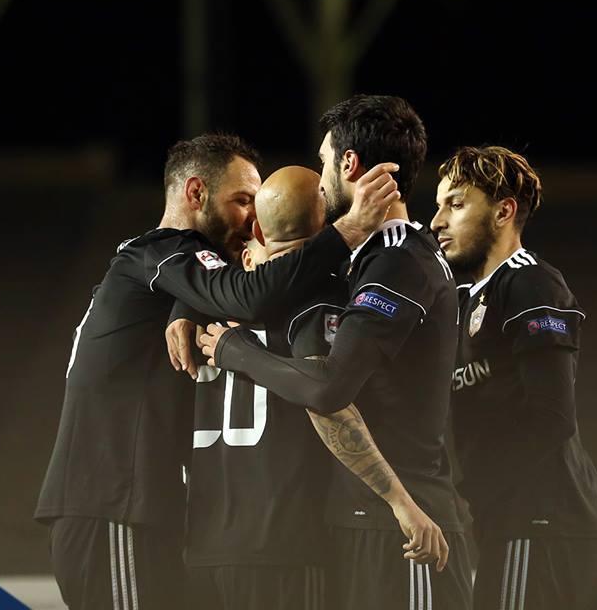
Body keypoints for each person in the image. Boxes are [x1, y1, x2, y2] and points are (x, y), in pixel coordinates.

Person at [35, 133, 399, 610]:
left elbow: (228, 286)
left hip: (142, 509)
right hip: (112, 505)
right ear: (195, 193)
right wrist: (347, 230)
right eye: (242, 200)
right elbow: (248, 294)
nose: (253, 217)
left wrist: (185, 307)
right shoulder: (163, 249)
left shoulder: (164, 270)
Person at [200, 96, 473, 610]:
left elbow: (330, 387)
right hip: (366, 520)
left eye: (324, 161)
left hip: (409, 526)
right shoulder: (365, 258)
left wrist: (234, 350)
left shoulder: (399, 261)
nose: (320, 179)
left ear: (349, 163)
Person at [430, 146, 597, 609]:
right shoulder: (464, 298)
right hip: (518, 521)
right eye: (438, 205)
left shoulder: (529, 282)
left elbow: (552, 416)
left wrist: (485, 491)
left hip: (542, 520)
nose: (437, 221)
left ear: (503, 212)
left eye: (456, 204)